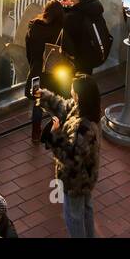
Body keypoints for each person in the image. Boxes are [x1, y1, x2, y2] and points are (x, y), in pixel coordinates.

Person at [37, 75, 101, 238]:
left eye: (73, 88)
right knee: (86, 208)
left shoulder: (84, 128)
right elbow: (62, 107)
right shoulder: (84, 109)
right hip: (86, 176)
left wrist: (55, 134)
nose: (70, 90)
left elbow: (70, 158)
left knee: (73, 216)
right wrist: (43, 96)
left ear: (78, 95)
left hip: (75, 180)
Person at [24, 0, 65, 140]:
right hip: (55, 73)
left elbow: (28, 50)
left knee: (37, 103)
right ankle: (56, 129)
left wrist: (34, 65)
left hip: (37, 71)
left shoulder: (34, 26)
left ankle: (36, 133)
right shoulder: (61, 30)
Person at [60, 0, 110, 74]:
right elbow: (78, 11)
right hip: (90, 57)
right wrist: (71, 6)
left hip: (78, 63)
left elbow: (64, 26)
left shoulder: (73, 18)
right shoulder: (93, 7)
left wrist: (57, 5)